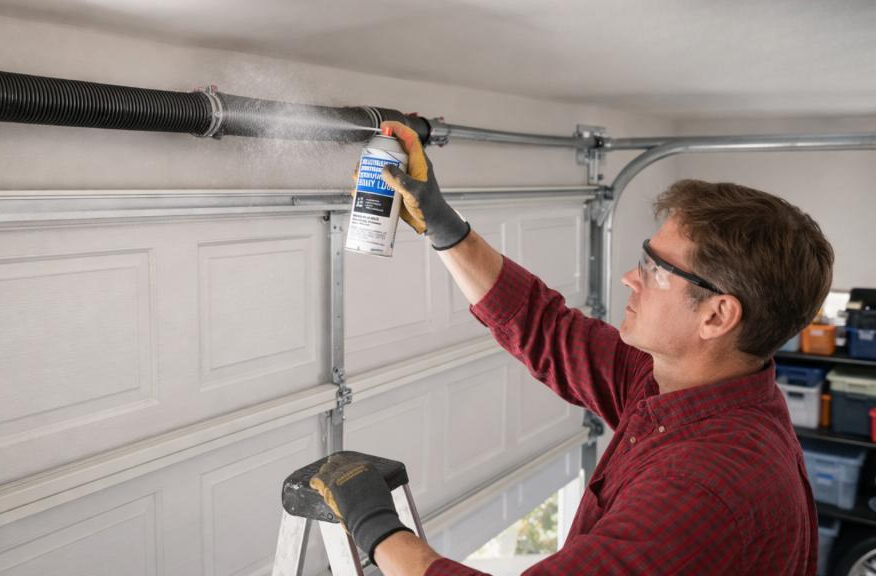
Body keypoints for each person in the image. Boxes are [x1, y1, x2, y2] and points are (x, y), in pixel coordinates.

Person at [310, 121, 834, 575]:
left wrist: (377, 529)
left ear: (717, 316)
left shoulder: (705, 489)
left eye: (655, 269)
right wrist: (445, 227)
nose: (631, 277)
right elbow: (547, 329)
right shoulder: (677, 380)